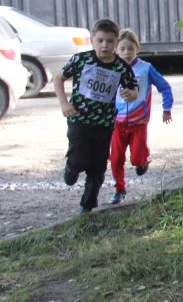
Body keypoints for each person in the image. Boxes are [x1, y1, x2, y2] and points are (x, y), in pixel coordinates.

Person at [53, 18, 139, 214]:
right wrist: (64, 103)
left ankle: (88, 205)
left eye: (110, 41)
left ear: (116, 42)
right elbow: (58, 78)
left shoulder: (120, 67)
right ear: (92, 40)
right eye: (100, 41)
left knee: (98, 166)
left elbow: (133, 88)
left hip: (104, 123)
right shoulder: (82, 60)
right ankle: (72, 167)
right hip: (79, 119)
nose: (104, 46)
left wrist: (131, 94)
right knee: (80, 159)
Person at [108, 29, 174, 205]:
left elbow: (165, 87)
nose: (126, 52)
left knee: (136, 157)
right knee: (116, 158)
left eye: (130, 48)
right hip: (117, 123)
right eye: (122, 49)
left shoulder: (146, 69)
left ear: (138, 48)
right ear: (116, 50)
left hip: (139, 123)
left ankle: (142, 161)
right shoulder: (112, 69)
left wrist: (167, 109)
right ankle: (119, 189)